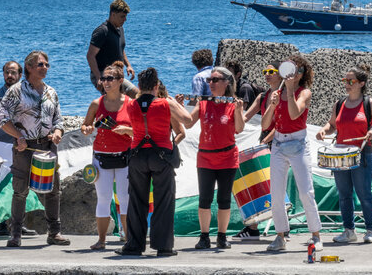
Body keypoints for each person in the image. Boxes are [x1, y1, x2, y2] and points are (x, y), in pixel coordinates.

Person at [0, 50, 69, 248]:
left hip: (47, 146)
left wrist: (58, 133)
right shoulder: (16, 91)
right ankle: (15, 234)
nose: (45, 68)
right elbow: (1, 117)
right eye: (40, 65)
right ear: (28, 67)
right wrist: (18, 136)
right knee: (20, 190)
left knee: (53, 190)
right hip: (25, 148)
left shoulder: (51, 92)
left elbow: (59, 120)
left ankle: (54, 232)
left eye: (46, 65)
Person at [116, 68, 193, 257]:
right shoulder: (165, 103)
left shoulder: (131, 105)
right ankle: (163, 246)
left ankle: (134, 245)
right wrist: (175, 102)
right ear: (156, 86)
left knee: (136, 202)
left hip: (138, 155)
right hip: (161, 156)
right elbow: (188, 120)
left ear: (140, 86)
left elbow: (136, 127)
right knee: (163, 202)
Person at [316, 63, 372, 244]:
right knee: (344, 194)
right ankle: (349, 230)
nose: (347, 83)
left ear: (361, 83)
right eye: (345, 80)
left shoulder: (369, 103)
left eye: (351, 81)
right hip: (341, 153)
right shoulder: (340, 103)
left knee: (364, 192)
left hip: (362, 153)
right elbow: (332, 125)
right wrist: (324, 130)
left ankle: (371, 230)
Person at [262, 54, 324, 252]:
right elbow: (264, 125)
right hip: (279, 142)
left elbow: (294, 113)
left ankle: (315, 234)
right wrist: (271, 105)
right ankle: (280, 235)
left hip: (298, 142)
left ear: (300, 74)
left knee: (306, 191)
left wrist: (288, 92)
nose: (290, 74)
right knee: (276, 193)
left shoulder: (304, 92)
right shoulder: (276, 93)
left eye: (294, 70)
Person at [181, 67, 244, 250]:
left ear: (227, 83)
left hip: (227, 158)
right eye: (209, 80)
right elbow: (188, 122)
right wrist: (176, 105)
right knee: (204, 199)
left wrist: (239, 110)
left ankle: (222, 237)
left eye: (215, 80)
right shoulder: (203, 103)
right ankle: (204, 236)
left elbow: (239, 129)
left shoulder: (232, 104)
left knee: (224, 199)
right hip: (206, 158)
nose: (211, 83)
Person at [79, 61, 133, 250]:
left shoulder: (131, 104)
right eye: (103, 79)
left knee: (125, 198)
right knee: (103, 197)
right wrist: (87, 129)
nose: (106, 82)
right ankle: (101, 240)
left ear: (120, 81)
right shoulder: (96, 104)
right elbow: (85, 126)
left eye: (110, 79)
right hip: (102, 156)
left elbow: (140, 131)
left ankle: (128, 239)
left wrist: (127, 130)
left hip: (125, 156)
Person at [233, 61, 284, 241]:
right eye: (266, 71)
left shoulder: (283, 96)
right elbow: (246, 117)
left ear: (281, 74)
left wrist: (267, 139)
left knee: (276, 185)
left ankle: (282, 228)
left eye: (272, 71)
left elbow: (284, 123)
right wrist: (237, 113)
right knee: (262, 183)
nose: (267, 74)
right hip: (265, 140)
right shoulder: (263, 96)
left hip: (278, 140)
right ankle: (253, 228)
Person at [87, 0, 137, 95]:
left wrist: (128, 65)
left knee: (123, 103)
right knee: (135, 94)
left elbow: (120, 48)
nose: (125, 19)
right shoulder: (102, 31)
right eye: (122, 16)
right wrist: (99, 77)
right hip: (104, 75)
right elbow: (90, 56)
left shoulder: (119, 29)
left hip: (116, 75)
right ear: (113, 14)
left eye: (126, 17)